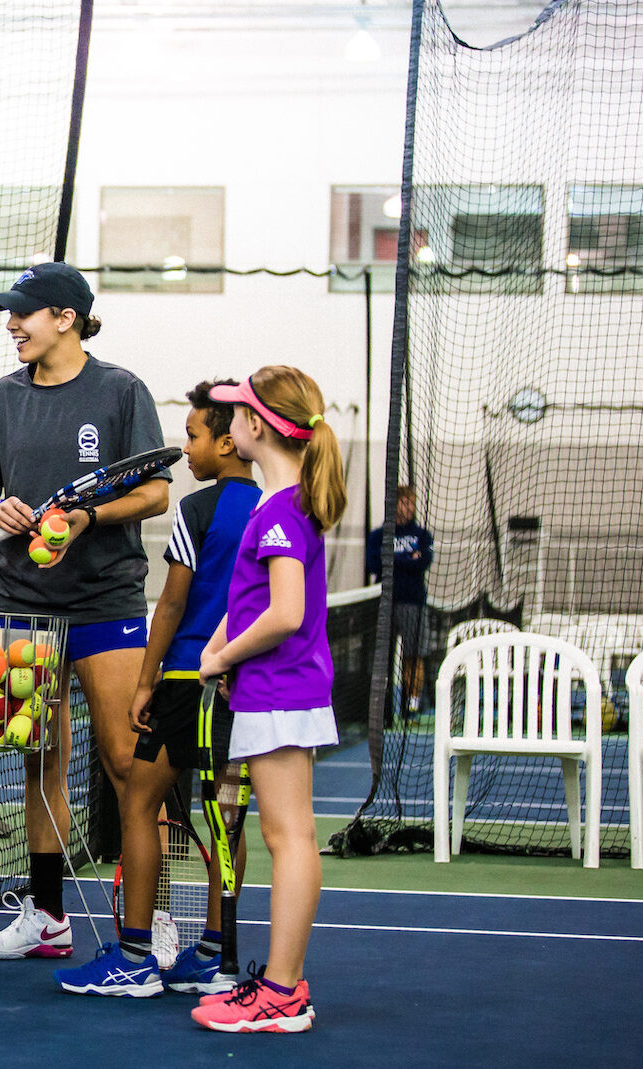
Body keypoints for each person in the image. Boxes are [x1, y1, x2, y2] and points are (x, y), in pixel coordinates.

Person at [0, 263, 171, 978]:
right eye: (9, 314)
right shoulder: (2, 397)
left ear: (66, 319)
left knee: (127, 765)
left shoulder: (121, 391)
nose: (12, 324)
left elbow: (156, 493)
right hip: (18, 603)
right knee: (38, 761)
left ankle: (155, 919)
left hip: (105, 604)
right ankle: (46, 919)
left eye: (24, 313)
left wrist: (86, 517)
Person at [190, 366, 346, 1033]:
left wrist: (224, 654)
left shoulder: (282, 510)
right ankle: (281, 985)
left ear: (257, 426)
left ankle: (282, 992)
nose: (230, 424)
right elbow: (249, 600)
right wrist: (220, 647)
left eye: (237, 414)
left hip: (281, 690)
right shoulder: (279, 506)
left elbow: (285, 611)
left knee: (289, 838)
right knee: (288, 835)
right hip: (271, 687)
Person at [122, 380, 258, 996]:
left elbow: (172, 602)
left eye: (195, 435)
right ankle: (215, 952)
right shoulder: (276, 508)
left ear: (228, 442)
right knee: (227, 821)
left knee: (138, 803)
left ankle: (134, 955)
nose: (187, 447)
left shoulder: (196, 510)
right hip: (246, 686)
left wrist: (144, 681)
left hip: (186, 681)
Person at [367, 485, 434, 716]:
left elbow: (422, 563)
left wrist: (394, 560)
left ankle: (412, 705)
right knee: (381, 656)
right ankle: (381, 708)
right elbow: (374, 564)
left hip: (413, 603)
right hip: (383, 604)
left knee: (414, 655)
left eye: (411, 503)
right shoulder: (379, 535)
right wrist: (407, 558)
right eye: (403, 502)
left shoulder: (422, 536)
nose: (408, 508)